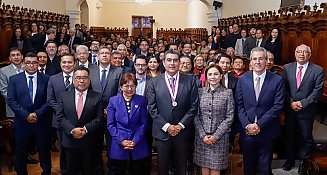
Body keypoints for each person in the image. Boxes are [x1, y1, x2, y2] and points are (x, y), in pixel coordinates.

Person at [147, 50, 199, 175]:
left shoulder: (190, 81)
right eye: (169, 60)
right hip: (162, 132)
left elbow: (193, 107)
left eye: (175, 60)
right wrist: (167, 126)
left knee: (182, 167)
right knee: (162, 167)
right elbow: (152, 108)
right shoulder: (154, 82)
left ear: (179, 63)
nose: (172, 63)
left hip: (183, 132)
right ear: (163, 63)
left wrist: (180, 126)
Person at [236, 47, 284, 175]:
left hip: (267, 130)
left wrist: (259, 125)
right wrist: (248, 125)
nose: (258, 62)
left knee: (265, 168)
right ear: (250, 61)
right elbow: (239, 106)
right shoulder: (242, 80)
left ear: (266, 60)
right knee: (248, 167)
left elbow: (278, 106)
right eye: (255, 59)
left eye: (261, 58)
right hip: (247, 131)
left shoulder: (277, 80)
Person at [282, 44, 324, 174]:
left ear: (309, 55)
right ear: (295, 54)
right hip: (290, 109)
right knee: (289, 136)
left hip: (307, 110)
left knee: (306, 136)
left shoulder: (318, 70)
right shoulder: (287, 68)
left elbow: (317, 91)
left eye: (305, 52)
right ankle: (290, 160)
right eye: (299, 52)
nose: (301, 54)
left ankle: (304, 161)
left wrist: (303, 103)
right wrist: (291, 102)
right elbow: (284, 88)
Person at [7, 52, 51, 175]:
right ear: (23, 64)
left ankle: (46, 172)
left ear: (38, 64)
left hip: (41, 121)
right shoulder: (14, 79)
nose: (31, 65)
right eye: (28, 63)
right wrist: (26, 115)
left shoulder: (46, 79)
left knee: (44, 151)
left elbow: (50, 100)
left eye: (34, 63)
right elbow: (11, 100)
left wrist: (37, 114)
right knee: (20, 152)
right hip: (22, 122)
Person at [57, 66, 103, 175]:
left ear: (89, 80)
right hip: (70, 142)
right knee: (70, 171)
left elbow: (99, 118)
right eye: (78, 78)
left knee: (89, 171)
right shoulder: (64, 96)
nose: (81, 80)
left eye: (84, 78)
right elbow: (60, 116)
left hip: (89, 142)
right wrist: (72, 130)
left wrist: (85, 130)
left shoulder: (98, 97)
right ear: (73, 80)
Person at [193, 64, 234, 175]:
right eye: (210, 74)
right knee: (204, 168)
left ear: (221, 76)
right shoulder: (200, 92)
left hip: (220, 139)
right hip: (202, 139)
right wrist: (203, 135)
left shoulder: (227, 93)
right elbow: (195, 115)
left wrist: (216, 136)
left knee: (216, 169)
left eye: (216, 74)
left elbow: (229, 117)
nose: (213, 77)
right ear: (206, 76)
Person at [107, 73, 150, 175]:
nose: (129, 89)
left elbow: (144, 123)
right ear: (121, 87)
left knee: (138, 170)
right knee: (118, 170)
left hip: (138, 142)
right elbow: (110, 124)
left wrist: (135, 140)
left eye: (132, 86)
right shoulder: (113, 101)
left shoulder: (141, 100)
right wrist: (121, 140)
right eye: (126, 86)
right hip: (119, 142)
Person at [47, 53, 76, 175]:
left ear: (74, 64)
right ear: (60, 64)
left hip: (77, 121)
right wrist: (62, 111)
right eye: (64, 62)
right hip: (59, 121)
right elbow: (50, 100)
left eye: (70, 62)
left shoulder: (80, 77)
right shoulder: (53, 79)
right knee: (63, 149)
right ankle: (64, 171)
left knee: (77, 148)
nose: (67, 64)